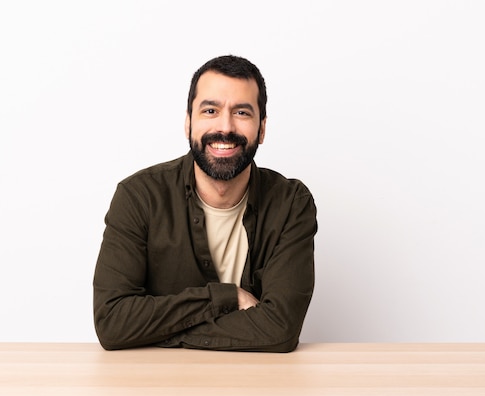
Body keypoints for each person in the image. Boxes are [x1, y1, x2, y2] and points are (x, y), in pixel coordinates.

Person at [93, 55, 317, 352]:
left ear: (262, 129)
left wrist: (159, 332)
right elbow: (112, 322)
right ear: (188, 123)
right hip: (159, 389)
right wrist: (225, 298)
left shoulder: (291, 204)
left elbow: (281, 329)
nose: (225, 127)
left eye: (242, 112)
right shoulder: (139, 197)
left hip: (260, 388)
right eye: (210, 110)